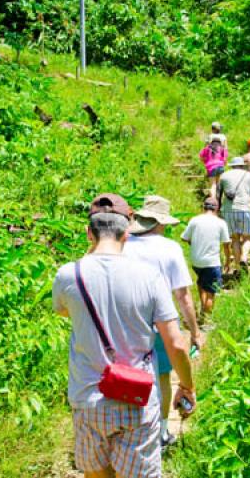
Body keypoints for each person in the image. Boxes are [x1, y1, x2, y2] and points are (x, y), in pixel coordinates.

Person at [52, 193, 196, 478]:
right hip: (138, 399)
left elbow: (65, 312)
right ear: (127, 231)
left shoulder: (69, 275)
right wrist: (188, 386)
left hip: (87, 398)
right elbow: (176, 343)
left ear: (88, 233)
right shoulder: (149, 276)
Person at [122, 195, 202, 449]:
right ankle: (161, 431)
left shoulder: (123, 245)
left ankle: (127, 428)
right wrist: (194, 331)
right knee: (162, 377)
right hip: (161, 321)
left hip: (126, 319)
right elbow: (183, 296)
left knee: (128, 372)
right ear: (161, 222)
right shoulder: (170, 248)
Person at [181, 197, 231, 319]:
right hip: (212, 263)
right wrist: (228, 261)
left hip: (196, 262)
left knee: (202, 284)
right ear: (217, 209)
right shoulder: (221, 223)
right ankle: (206, 320)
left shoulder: (195, 220)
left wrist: (195, 244)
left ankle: (203, 310)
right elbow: (226, 244)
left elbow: (184, 237)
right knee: (211, 293)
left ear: (203, 207)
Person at [217, 157, 250, 274]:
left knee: (234, 238)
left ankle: (238, 267)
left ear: (232, 166)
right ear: (242, 165)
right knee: (247, 237)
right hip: (245, 208)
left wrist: (218, 211)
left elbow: (218, 195)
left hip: (228, 210)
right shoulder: (249, 175)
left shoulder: (223, 176)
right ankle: (244, 257)